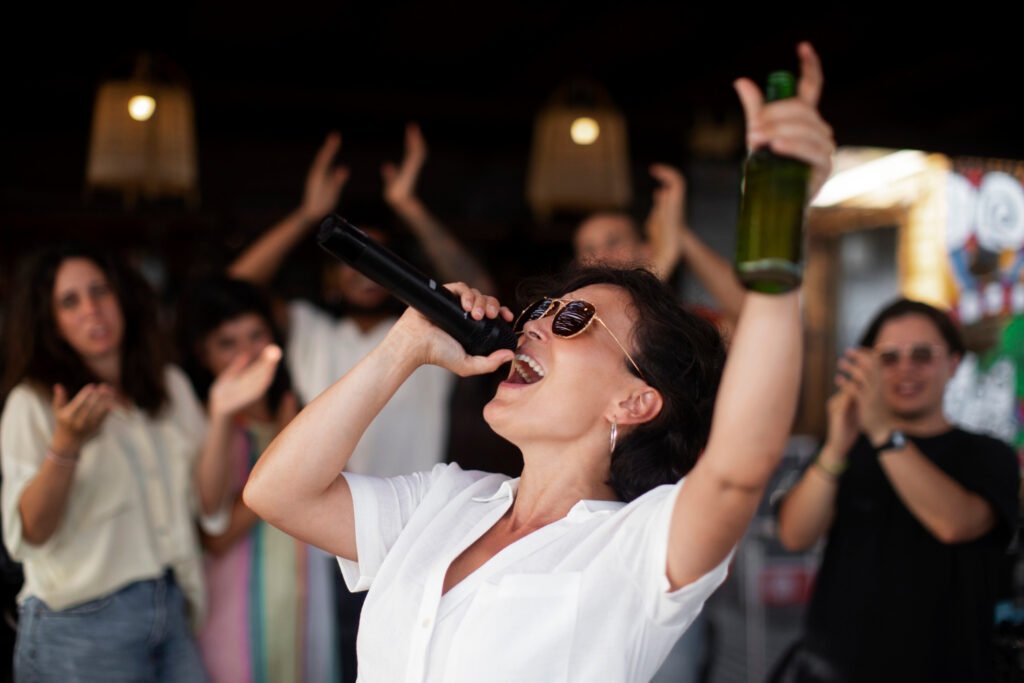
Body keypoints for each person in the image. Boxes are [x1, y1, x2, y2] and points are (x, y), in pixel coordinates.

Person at [242, 42, 833, 682]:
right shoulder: (444, 502)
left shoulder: (633, 546)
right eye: (542, 309)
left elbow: (738, 470)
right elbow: (278, 492)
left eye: (574, 320)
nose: (534, 325)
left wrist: (780, 231)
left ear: (635, 400)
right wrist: (403, 348)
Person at [0, 245, 280, 682]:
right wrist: (67, 446)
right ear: (50, 321)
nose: (92, 309)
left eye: (100, 292)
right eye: (70, 301)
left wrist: (222, 413)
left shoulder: (167, 387)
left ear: (123, 298)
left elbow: (209, 507)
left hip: (171, 607)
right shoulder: (32, 402)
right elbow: (31, 535)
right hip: (81, 623)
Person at [774, 298, 1020, 683]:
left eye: (922, 355)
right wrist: (837, 447)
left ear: (954, 364)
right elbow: (794, 534)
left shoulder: (988, 453)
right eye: (888, 358)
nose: (905, 368)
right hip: (833, 669)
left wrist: (884, 431)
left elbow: (955, 524)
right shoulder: (846, 449)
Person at [176, 275, 340, 683]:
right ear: (203, 354)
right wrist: (279, 455)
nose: (247, 354)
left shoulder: (298, 409)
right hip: (235, 613)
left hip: (303, 601)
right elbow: (216, 534)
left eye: (256, 335)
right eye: (227, 343)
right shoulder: (199, 421)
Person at [573, 163, 747, 332]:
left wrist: (680, 235)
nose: (601, 255)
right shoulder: (569, 319)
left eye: (614, 242)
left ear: (646, 249)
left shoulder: (686, 322)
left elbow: (749, 315)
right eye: (589, 249)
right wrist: (665, 255)